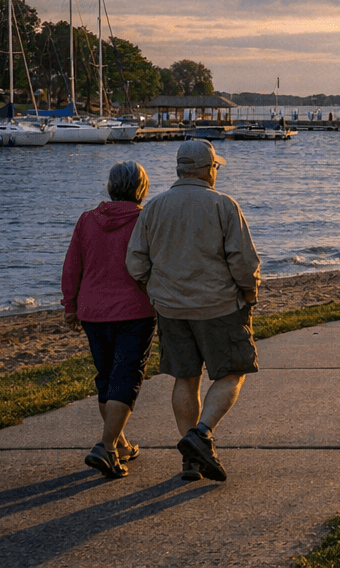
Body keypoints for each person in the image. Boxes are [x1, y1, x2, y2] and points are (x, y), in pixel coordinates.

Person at [128, 139, 261, 483]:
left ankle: (192, 462)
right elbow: (243, 262)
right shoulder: (223, 205)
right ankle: (200, 435)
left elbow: (135, 263)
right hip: (219, 306)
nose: (216, 171)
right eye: (215, 166)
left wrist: (155, 293)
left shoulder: (154, 208)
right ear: (208, 169)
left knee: (186, 378)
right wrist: (249, 293)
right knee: (233, 371)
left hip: (171, 309)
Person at [62, 160, 155, 480]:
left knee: (107, 377)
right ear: (142, 189)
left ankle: (120, 444)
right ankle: (106, 446)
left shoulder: (87, 220)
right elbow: (155, 264)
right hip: (136, 310)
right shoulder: (145, 220)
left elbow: (73, 266)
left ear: (110, 187)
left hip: (93, 312)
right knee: (126, 377)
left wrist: (70, 307)